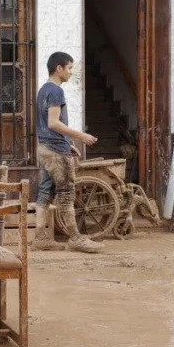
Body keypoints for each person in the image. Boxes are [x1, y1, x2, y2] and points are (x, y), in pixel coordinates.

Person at [33, 52, 104, 254]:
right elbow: (53, 123)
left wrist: (68, 143)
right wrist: (81, 136)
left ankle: (39, 238)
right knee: (66, 193)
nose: (71, 72)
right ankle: (75, 238)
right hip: (56, 151)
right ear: (59, 69)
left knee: (45, 192)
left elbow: (48, 125)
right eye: (70, 68)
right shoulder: (55, 91)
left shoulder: (43, 90)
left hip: (45, 148)